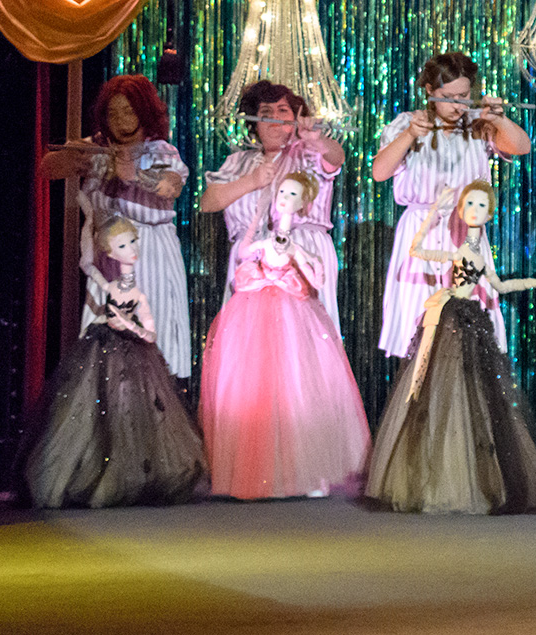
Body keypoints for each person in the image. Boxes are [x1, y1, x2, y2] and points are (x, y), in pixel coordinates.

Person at [365, 180, 536, 514]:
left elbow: (500, 285)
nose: (474, 210)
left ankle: (464, 477)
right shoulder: (458, 253)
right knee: (437, 388)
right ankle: (440, 477)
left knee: (474, 394)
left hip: (467, 321)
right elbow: (415, 250)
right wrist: (432, 213)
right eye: (469, 204)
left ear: (490, 214)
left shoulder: (478, 256)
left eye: (481, 206)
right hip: (449, 317)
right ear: (460, 209)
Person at [200, 171, 370, 499]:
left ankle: (305, 473)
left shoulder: (295, 245)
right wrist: (256, 223)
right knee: (256, 382)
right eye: (282, 193)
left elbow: (317, 278)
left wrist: (304, 260)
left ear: (304, 204)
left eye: (292, 195)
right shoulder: (267, 239)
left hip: (292, 310)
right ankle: (257, 472)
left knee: (296, 381)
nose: (284, 199)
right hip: (255, 309)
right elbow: (244, 253)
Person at [22, 212, 207, 508]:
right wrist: (88, 222)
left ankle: (129, 479)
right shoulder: (110, 286)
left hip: (134, 353)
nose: (131, 249)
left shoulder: (137, 295)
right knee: (100, 410)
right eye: (122, 246)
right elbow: (86, 264)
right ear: (109, 252)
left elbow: (150, 334)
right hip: (104, 349)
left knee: (131, 412)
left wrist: (129, 324)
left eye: (133, 242)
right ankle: (96, 476)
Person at [371, 52, 531, 356]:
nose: (458, 105)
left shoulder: (477, 124)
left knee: (468, 329)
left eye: (464, 96)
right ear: (430, 91)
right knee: (420, 322)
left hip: (465, 232)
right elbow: (380, 172)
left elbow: (522, 146)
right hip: (421, 233)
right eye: (448, 98)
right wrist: (409, 135)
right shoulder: (408, 123)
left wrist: (498, 118)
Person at [43, 75, 192, 380]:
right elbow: (48, 166)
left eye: (128, 111)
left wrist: (130, 170)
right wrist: (74, 157)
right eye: (113, 113)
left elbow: (171, 186)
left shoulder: (160, 151)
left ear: (143, 112)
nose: (121, 120)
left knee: (148, 334)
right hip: (108, 257)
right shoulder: (97, 148)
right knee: (105, 346)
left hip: (149, 253)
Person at [201, 81, 346, 329]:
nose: (274, 118)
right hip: (251, 259)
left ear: (296, 118)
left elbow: (336, 158)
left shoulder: (310, 153)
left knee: (302, 333)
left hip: (302, 253)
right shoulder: (238, 161)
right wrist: (251, 181)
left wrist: (317, 139)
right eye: (266, 112)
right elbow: (208, 202)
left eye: (283, 110)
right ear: (254, 122)